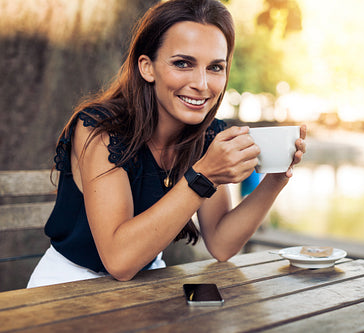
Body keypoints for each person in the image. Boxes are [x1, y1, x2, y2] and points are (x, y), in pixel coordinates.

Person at [27, 0, 306, 288]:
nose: (202, 83)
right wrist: (203, 176)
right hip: (68, 285)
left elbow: (221, 244)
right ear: (147, 67)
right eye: (182, 63)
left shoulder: (207, 135)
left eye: (215, 67)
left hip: (147, 283)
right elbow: (119, 261)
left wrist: (275, 178)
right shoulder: (99, 129)